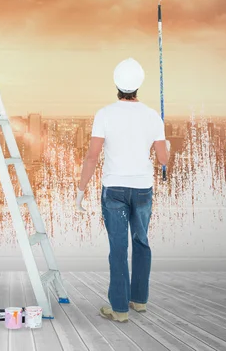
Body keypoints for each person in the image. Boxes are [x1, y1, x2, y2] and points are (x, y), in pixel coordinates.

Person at [75, 57, 170, 323]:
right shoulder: (153, 116)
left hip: (114, 190)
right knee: (141, 242)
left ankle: (119, 309)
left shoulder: (104, 114)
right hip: (142, 190)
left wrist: (81, 191)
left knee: (118, 248)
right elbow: (163, 160)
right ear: (139, 84)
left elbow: (92, 157)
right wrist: (166, 146)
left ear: (116, 83)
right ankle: (139, 300)